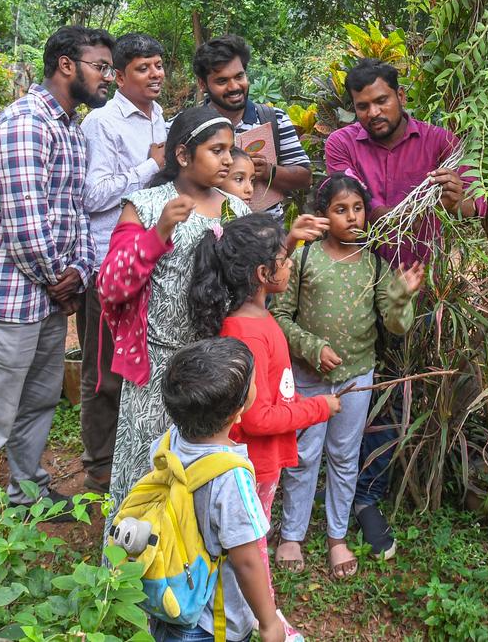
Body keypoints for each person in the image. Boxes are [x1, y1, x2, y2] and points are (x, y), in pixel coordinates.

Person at [323, 58, 484, 558]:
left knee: (423, 386)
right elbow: (354, 210)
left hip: (431, 289)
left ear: (400, 95)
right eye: (362, 106)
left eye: (381, 100)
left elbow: (478, 207)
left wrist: (456, 198)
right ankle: (366, 499)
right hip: (363, 290)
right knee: (374, 393)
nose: (372, 112)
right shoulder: (342, 145)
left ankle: (437, 483)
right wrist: (417, 199)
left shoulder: (440, 141)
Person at [0, 26, 111, 511]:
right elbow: (26, 224)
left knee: (37, 403)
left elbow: (77, 212)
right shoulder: (26, 125)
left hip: (44, 301)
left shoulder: (70, 131)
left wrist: (78, 272)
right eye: (100, 66)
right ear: (66, 64)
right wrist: (59, 283)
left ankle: (28, 494)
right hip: (4, 299)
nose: (108, 77)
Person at [98, 105, 251, 513]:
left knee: (204, 478)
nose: (227, 159)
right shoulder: (147, 206)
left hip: (217, 372)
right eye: (216, 150)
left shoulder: (236, 210)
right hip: (157, 369)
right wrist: (159, 231)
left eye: (230, 150)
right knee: (147, 475)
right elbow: (111, 285)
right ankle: (129, 569)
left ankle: (192, 568)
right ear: (183, 155)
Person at [189, 213, 336, 633]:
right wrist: (319, 408)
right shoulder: (247, 333)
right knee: (249, 547)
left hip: (258, 459)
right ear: (261, 273)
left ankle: (256, 609)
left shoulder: (256, 317)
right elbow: (256, 418)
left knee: (250, 541)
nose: (289, 263)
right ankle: (262, 618)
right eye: (282, 258)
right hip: (253, 461)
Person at [271, 173, 423, 576]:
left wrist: (401, 296)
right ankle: (292, 534)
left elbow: (394, 324)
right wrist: (310, 347)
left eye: (357, 209)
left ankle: (336, 536)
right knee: (303, 456)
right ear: (322, 216)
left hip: (357, 376)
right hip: (308, 376)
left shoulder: (375, 264)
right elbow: (280, 315)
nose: (352, 218)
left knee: (343, 455)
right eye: (341, 210)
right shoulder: (304, 258)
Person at [77, 32, 166, 495]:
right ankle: (98, 465)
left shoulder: (159, 118)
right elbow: (92, 196)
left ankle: (134, 454)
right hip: (109, 265)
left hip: (148, 260)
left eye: (158, 65)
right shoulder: (102, 123)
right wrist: (150, 167)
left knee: (138, 361)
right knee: (104, 369)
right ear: (118, 75)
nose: (155, 75)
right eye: (143, 68)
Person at [154, 337, 287, 642]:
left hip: (170, 594)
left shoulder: (170, 442)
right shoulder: (231, 478)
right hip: (211, 622)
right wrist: (268, 622)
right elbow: (246, 560)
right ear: (236, 412)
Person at [192, 35, 311, 220]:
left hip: (268, 240)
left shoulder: (274, 119)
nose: (234, 87)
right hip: (209, 240)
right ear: (202, 84)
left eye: (239, 76)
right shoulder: (188, 127)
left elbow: (305, 178)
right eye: (222, 81)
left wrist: (268, 171)